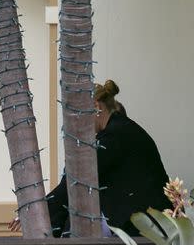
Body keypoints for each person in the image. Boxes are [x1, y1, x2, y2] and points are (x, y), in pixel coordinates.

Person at [9, 80, 169, 236]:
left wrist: (34, 212)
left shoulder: (114, 137)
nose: (78, 123)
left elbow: (75, 182)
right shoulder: (121, 130)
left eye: (80, 115)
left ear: (96, 107)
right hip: (146, 221)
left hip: (145, 226)